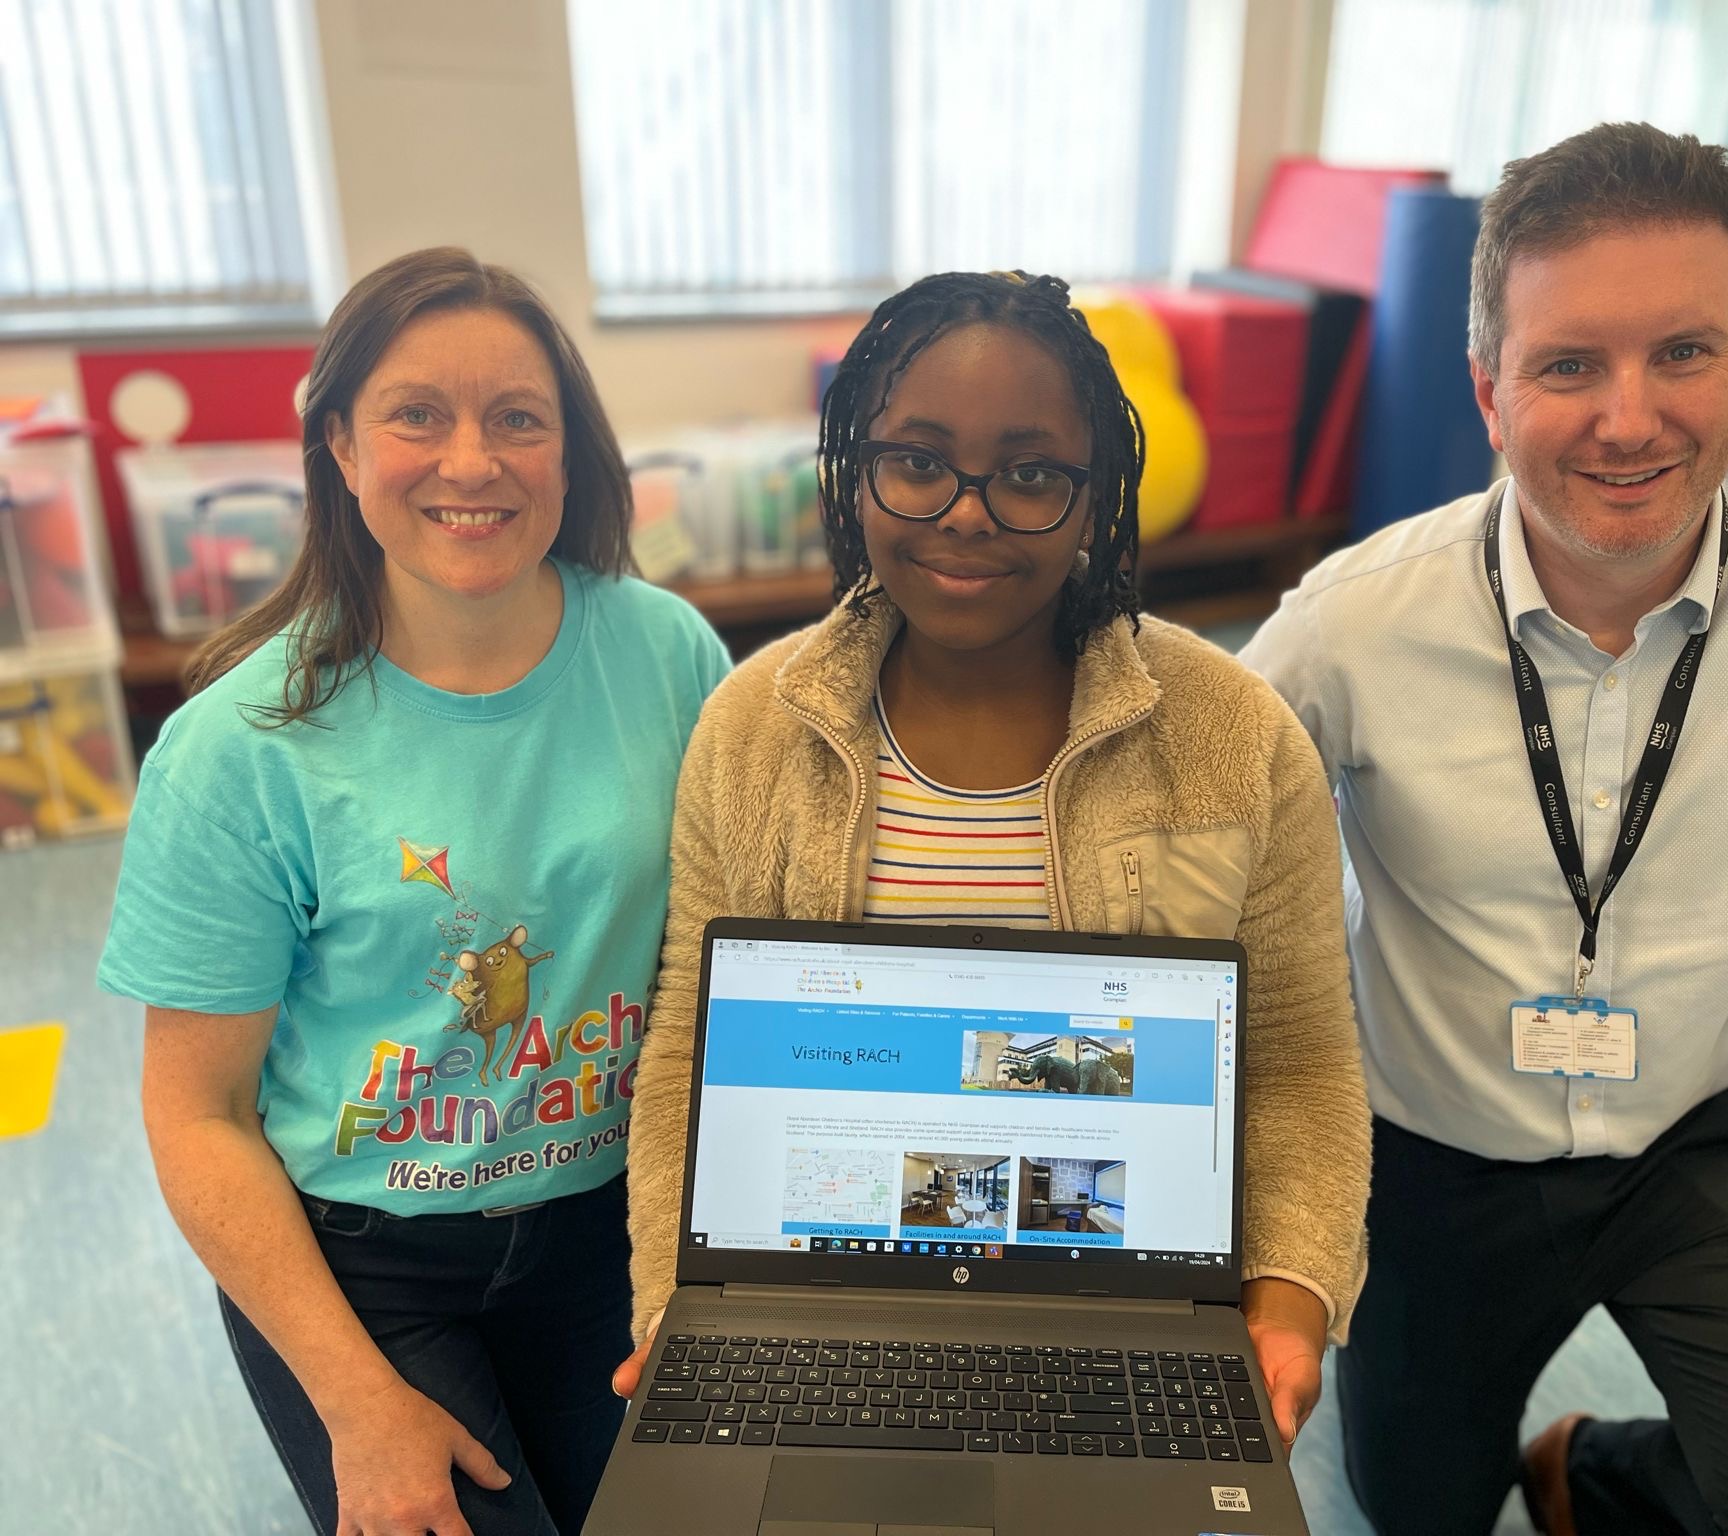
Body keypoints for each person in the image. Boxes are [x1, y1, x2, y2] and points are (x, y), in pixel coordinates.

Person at [1242, 123, 1728, 1536]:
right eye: (1567, 364)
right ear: (1488, 391)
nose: (1629, 415)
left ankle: (1597, 1473)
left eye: (1682, 352)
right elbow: (1182, 891)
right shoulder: (1347, 627)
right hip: (1426, 1146)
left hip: (1692, 1139)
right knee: (1415, 1509)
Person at [611, 270, 1373, 1439]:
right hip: (818, 1301)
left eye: (1028, 475)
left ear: (1098, 495)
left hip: (1130, 1311)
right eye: (916, 461)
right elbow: (687, 1059)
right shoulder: (752, 726)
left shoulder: (1234, 736)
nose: (966, 512)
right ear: (853, 471)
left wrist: (1284, 1303)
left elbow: (1298, 1059)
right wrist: (679, 1303)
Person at [99, 247, 730, 1536]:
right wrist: (354, 1400)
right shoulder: (240, 747)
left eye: (517, 419)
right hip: (363, 1258)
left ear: (568, 450)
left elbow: (735, 962)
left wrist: (705, 1266)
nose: (470, 461)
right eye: (415, 415)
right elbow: (197, 1116)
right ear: (338, 443)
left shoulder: (665, 652)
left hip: (611, 1223)